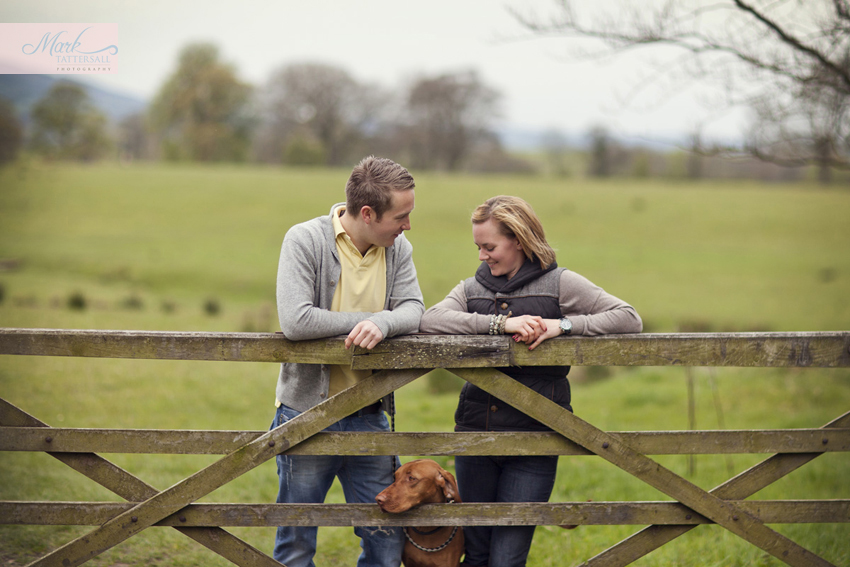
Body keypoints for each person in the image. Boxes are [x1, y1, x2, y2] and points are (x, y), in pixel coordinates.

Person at [419, 195, 642, 567]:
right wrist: (499, 324)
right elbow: (430, 320)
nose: (481, 256)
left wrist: (565, 325)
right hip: (475, 434)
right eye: (477, 247)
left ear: (518, 241)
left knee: (507, 558)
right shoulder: (471, 289)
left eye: (489, 246)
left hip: (536, 438)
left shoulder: (559, 284)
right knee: (476, 553)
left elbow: (628, 317)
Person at [272, 156, 424, 567]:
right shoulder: (304, 239)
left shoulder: (398, 248)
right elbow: (296, 320)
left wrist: (386, 322)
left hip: (370, 411)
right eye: (402, 216)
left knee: (384, 539)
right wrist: (371, 321)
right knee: (297, 536)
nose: (408, 225)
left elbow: (414, 308)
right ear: (368, 213)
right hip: (307, 412)